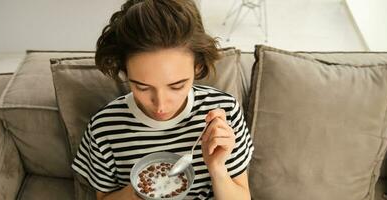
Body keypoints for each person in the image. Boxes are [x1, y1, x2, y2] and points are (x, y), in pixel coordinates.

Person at [71, 0, 254, 199]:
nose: (160, 106)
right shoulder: (104, 127)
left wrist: (217, 167)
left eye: (177, 86)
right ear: (124, 70)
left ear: (198, 67)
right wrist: (143, 187)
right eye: (142, 86)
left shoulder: (224, 113)